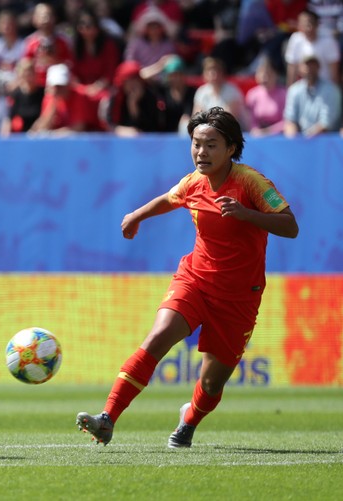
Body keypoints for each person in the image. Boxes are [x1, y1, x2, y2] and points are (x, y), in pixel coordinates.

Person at [76, 106, 299, 448]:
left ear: (231, 148)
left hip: (239, 296)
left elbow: (290, 226)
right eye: (196, 143)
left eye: (211, 144)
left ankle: (189, 421)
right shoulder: (193, 182)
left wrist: (247, 214)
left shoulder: (252, 183)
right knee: (158, 336)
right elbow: (170, 199)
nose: (201, 152)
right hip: (194, 280)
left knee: (211, 384)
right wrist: (135, 216)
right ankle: (107, 418)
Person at [283, 53, 342, 136]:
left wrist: (307, 140)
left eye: (313, 65)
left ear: (319, 67)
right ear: (300, 68)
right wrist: (293, 139)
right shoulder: (294, 90)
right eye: (306, 65)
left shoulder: (331, 90)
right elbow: (290, 119)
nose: (309, 68)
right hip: (302, 141)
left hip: (326, 144)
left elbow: (326, 123)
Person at [245, 56, 288, 136]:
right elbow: (251, 121)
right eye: (261, 73)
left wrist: (268, 131)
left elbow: (286, 122)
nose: (264, 77)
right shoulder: (252, 94)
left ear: (276, 75)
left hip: (279, 137)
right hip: (258, 137)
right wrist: (256, 131)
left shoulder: (284, 94)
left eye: (268, 73)